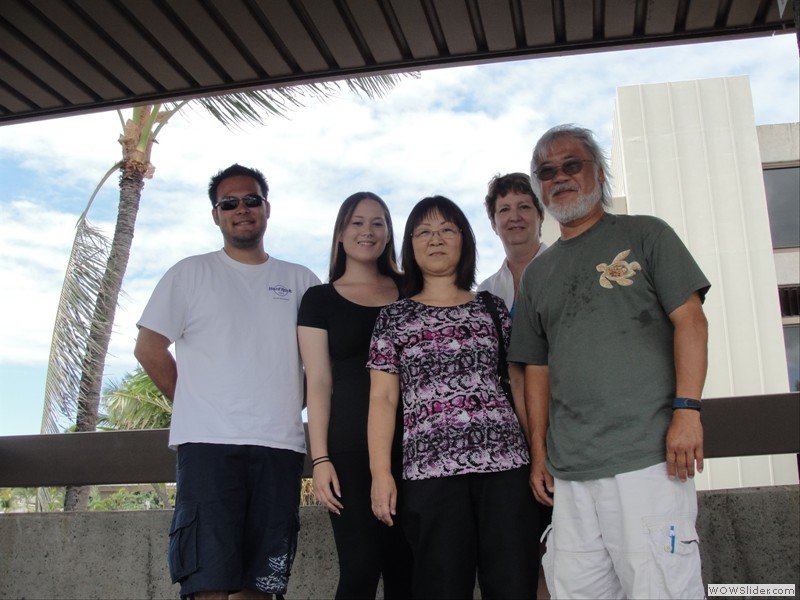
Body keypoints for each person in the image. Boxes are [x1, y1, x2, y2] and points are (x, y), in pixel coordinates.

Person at [508, 124, 710, 599]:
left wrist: (688, 411)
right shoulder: (537, 274)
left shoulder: (646, 234)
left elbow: (692, 322)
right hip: (571, 472)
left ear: (598, 171)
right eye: (547, 171)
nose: (560, 177)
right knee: (575, 591)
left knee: (661, 587)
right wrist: (539, 453)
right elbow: (535, 370)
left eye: (571, 165)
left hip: (648, 457)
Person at [134, 164, 320, 600]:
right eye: (229, 203)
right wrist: (194, 403)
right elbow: (148, 348)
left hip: (279, 448)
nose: (242, 209)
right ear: (215, 215)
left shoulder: (301, 281)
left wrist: (292, 403)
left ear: (267, 209)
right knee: (208, 584)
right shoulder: (189, 273)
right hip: (208, 450)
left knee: (261, 586)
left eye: (251, 200)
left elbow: (322, 368)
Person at [368, 196, 540, 599]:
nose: (436, 239)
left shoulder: (491, 308)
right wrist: (381, 475)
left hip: (506, 468)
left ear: (464, 240)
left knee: (514, 584)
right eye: (423, 231)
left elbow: (518, 385)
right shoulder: (393, 317)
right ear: (409, 245)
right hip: (430, 474)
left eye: (447, 229)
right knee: (440, 588)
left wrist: (538, 456)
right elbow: (383, 400)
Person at [297, 192, 412, 599]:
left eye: (378, 222)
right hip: (347, 450)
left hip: (414, 446)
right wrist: (321, 458)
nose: (368, 231)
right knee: (361, 568)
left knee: (408, 568)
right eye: (357, 222)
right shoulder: (318, 300)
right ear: (341, 233)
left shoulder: (411, 289)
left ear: (388, 234)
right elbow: (319, 383)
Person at [477, 172, 547, 316]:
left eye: (524, 207)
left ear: (541, 215)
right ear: (493, 224)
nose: (515, 217)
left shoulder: (566, 272)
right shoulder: (486, 292)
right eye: (504, 209)